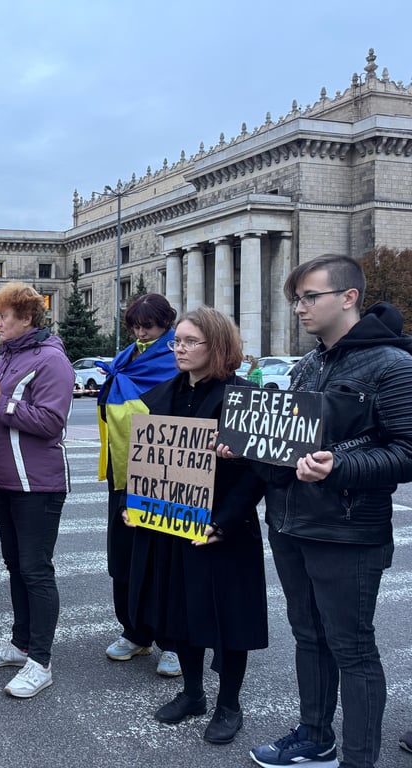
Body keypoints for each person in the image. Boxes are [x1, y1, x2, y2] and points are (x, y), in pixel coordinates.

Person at [248, 255, 412, 768]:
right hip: (292, 524)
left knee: (352, 647)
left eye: (309, 297)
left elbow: (407, 450)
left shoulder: (394, 365)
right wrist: (248, 445)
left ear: (348, 298)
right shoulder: (307, 364)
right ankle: (315, 738)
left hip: (347, 532)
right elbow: (287, 445)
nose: (299, 308)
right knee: (308, 636)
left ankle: (359, 759)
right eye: (295, 298)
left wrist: (337, 467)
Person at [122, 306, 267, 745]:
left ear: (216, 345)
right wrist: (138, 504)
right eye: (176, 342)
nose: (178, 349)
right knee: (180, 611)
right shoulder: (163, 393)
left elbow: (258, 472)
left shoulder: (243, 398)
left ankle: (229, 704)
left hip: (224, 529)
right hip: (173, 525)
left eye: (188, 342)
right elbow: (152, 461)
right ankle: (192, 693)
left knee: (227, 620)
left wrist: (223, 522)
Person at [0, 282, 74, 699]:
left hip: (38, 484)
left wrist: (1, 399)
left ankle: (40, 661)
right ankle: (20, 642)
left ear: (26, 318)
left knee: (36, 570)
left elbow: (50, 422)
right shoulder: (6, 357)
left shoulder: (51, 360)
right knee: (15, 566)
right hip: (5, 480)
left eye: (4, 315)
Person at [96, 293, 181, 676]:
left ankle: (175, 641)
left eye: (149, 326)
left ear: (167, 324)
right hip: (122, 471)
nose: (141, 332)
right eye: (135, 325)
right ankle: (135, 631)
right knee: (125, 557)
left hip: (165, 475)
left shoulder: (176, 358)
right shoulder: (124, 359)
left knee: (165, 561)